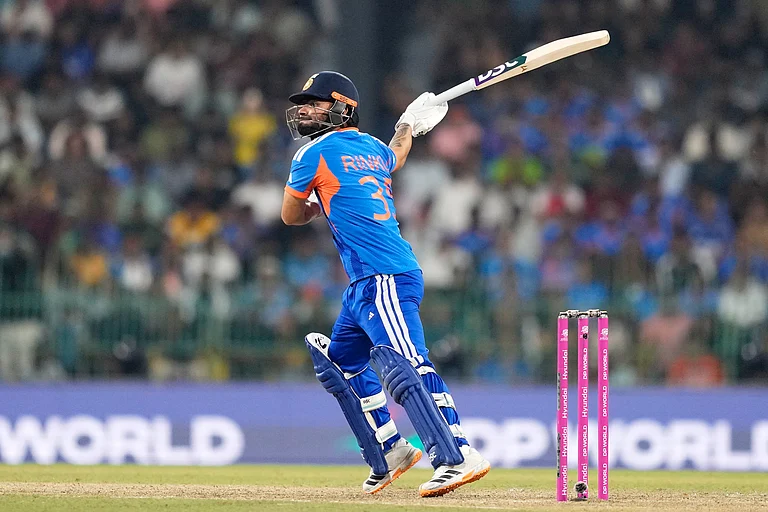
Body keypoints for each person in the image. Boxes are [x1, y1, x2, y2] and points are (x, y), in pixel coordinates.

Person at [281, 71, 490, 497]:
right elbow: (398, 152)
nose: (304, 109)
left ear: (342, 108)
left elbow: (290, 215)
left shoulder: (311, 154)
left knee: (406, 363)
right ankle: (392, 450)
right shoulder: (375, 148)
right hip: (367, 281)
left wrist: (319, 205)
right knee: (340, 361)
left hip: (384, 276)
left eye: (315, 102)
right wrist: (407, 124)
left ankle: (458, 454)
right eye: (302, 102)